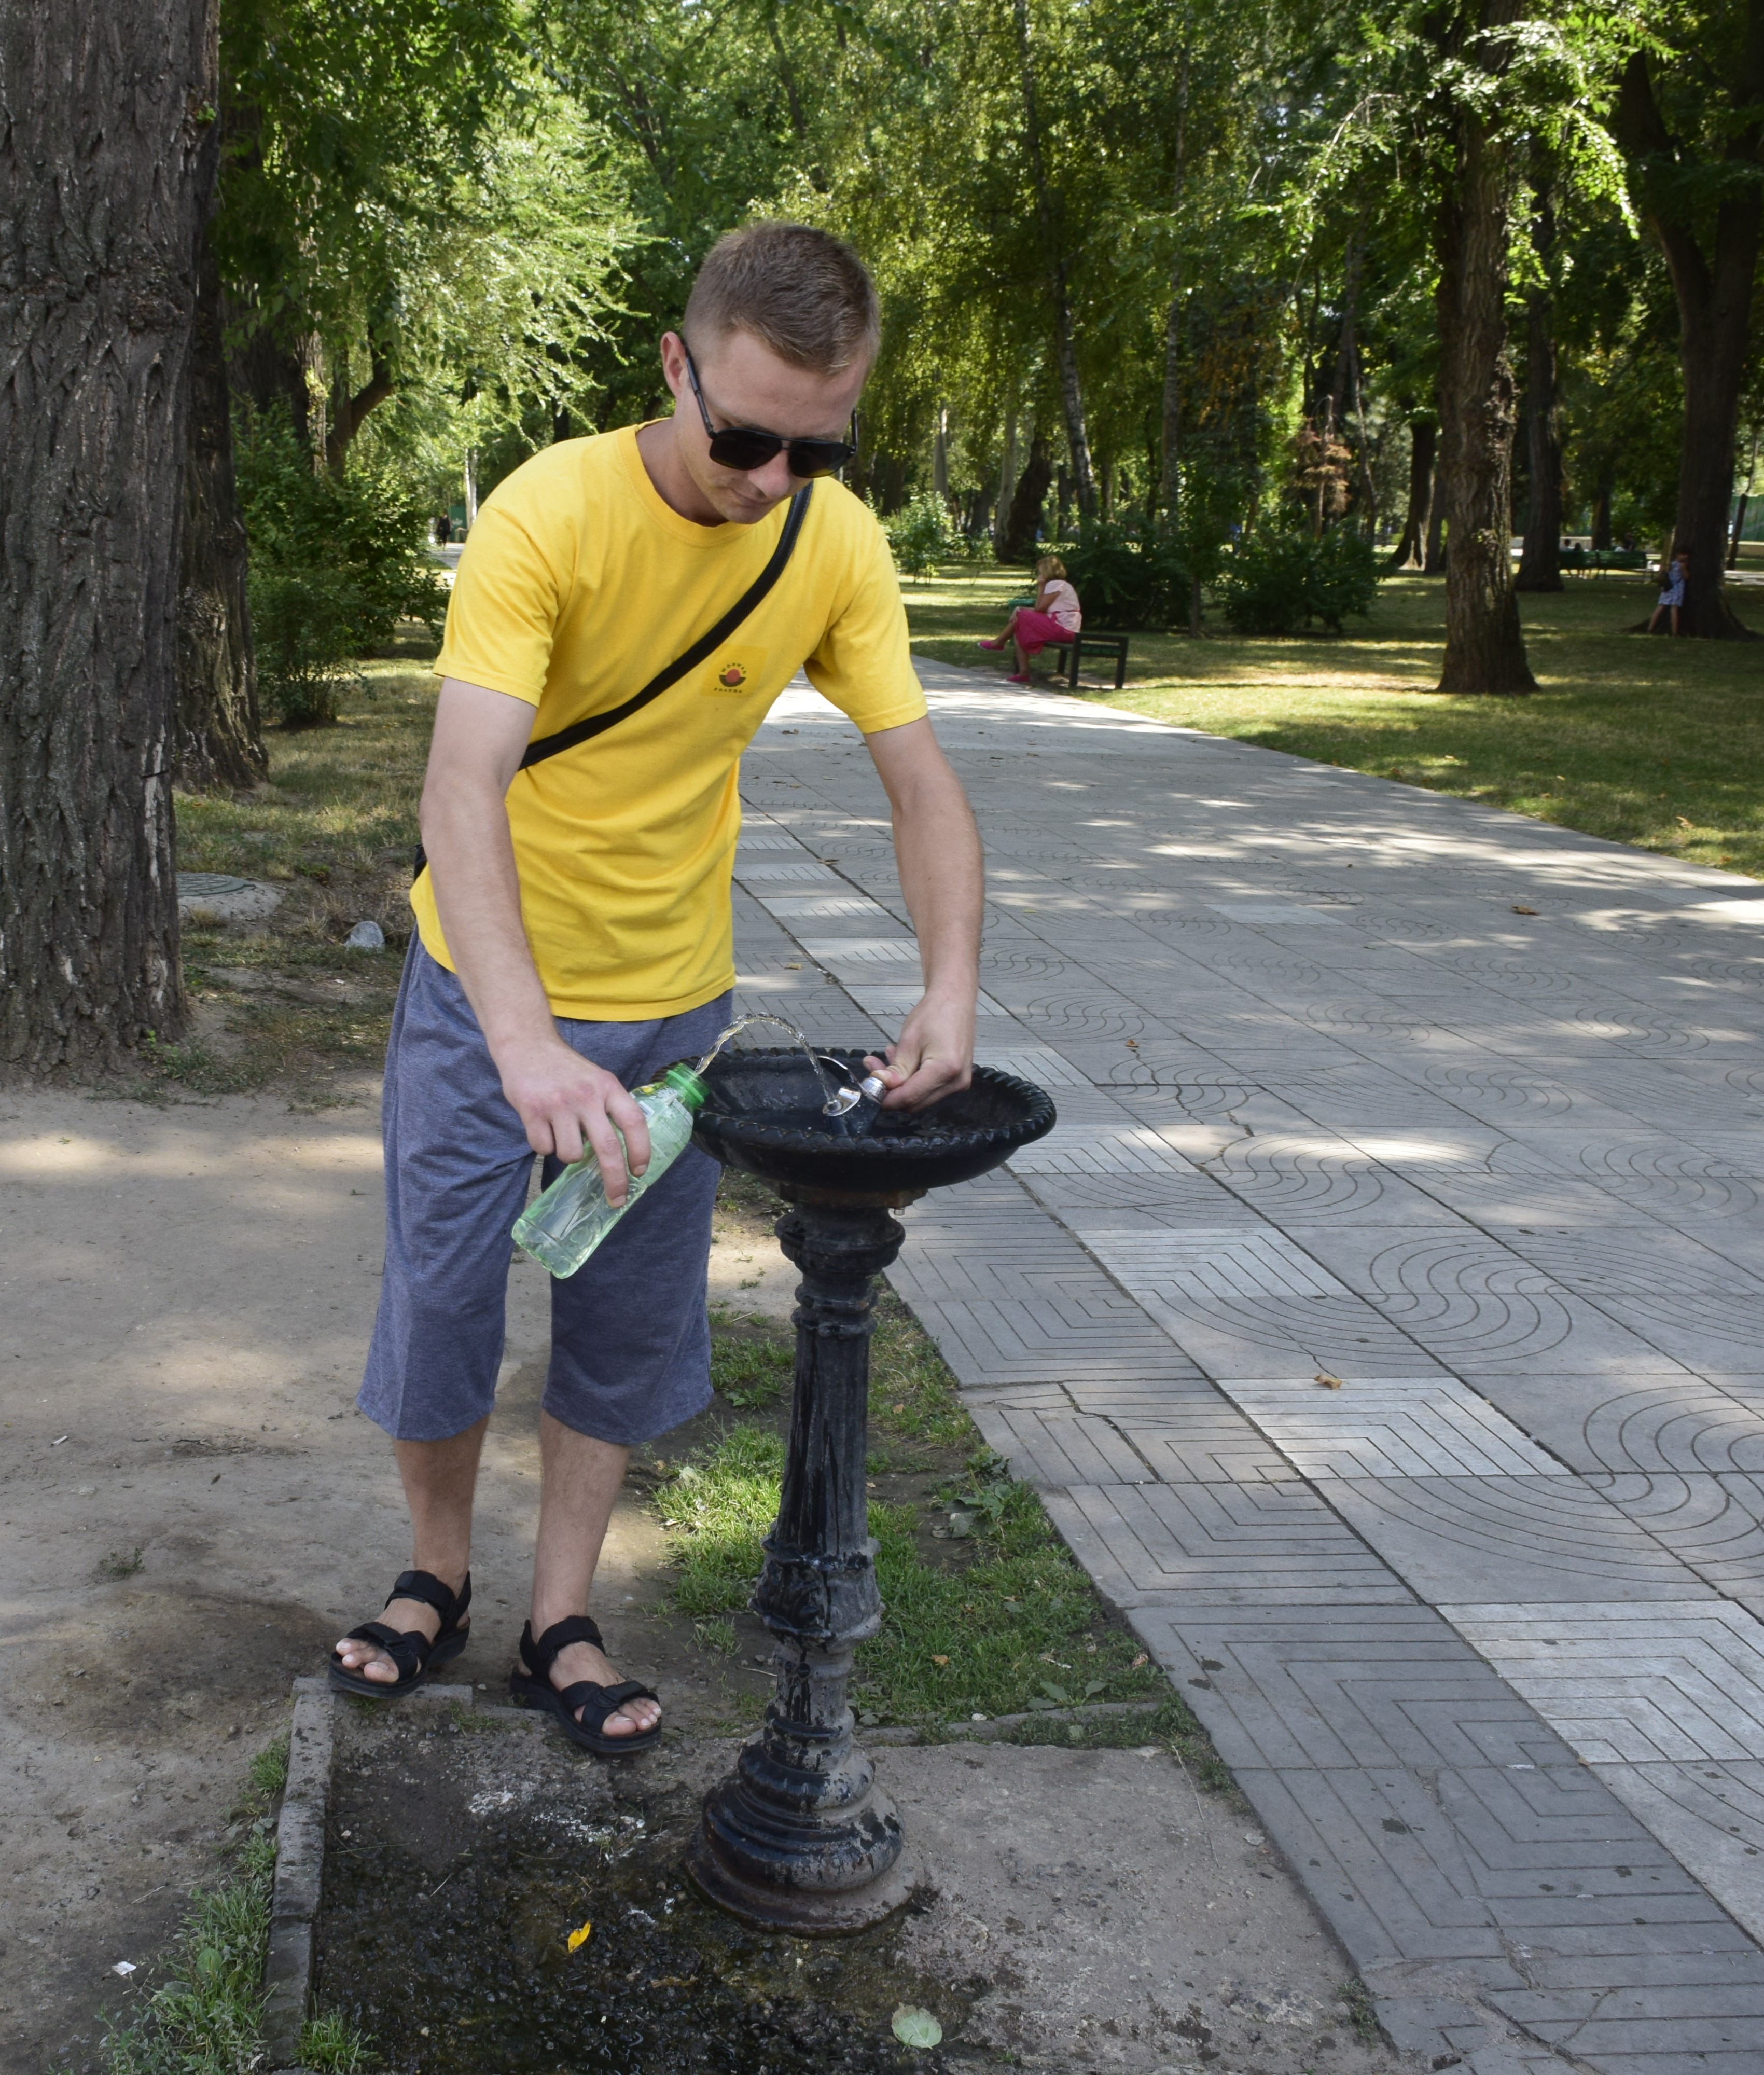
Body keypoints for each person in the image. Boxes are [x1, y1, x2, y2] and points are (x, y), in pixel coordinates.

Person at [327, 223, 983, 1755]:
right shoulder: (548, 513)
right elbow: (460, 786)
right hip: (484, 993)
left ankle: (560, 1615)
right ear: (676, 367)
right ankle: (435, 1575)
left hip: (674, 1009)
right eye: (744, 437)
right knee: (442, 1301)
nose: (772, 478)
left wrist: (951, 984)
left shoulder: (830, 544)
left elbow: (920, 780)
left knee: (621, 1322)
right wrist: (523, 1044)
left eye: (816, 450)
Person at [979, 554, 1082, 684]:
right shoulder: (1062, 585)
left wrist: (1040, 587)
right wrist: (1021, 609)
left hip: (1063, 629)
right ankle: (1023, 673)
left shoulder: (1055, 585)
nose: (1039, 574)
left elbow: (1040, 609)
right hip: (1063, 628)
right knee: (1019, 627)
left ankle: (999, 643)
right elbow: (1042, 610)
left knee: (1021, 616)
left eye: (1040, 571)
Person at [1646, 546, 1691, 634]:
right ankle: (1674, 632)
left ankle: (1650, 628)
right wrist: (1685, 569)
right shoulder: (1681, 565)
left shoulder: (1669, 565)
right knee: (1674, 610)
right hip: (1677, 589)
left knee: (1661, 607)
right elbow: (1687, 577)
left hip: (1667, 588)